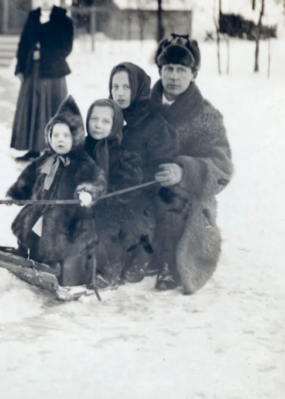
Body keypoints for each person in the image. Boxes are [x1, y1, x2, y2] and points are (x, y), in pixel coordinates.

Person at [148, 34, 234, 293]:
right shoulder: (144, 108)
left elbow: (222, 167)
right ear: (160, 71)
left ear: (193, 74)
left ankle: (170, 266)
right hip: (144, 187)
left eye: (181, 70)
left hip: (188, 195)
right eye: (168, 69)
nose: (174, 76)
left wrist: (184, 172)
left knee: (175, 213)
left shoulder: (207, 116)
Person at [6, 96, 107, 286]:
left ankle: (56, 269)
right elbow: (29, 176)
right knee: (30, 229)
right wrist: (17, 192)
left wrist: (88, 192)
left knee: (59, 240)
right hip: (42, 211)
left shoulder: (82, 163)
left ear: (76, 138)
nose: (60, 140)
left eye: (66, 136)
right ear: (49, 138)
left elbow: (97, 179)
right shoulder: (46, 159)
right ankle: (28, 256)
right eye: (56, 135)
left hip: (70, 218)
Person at [108, 62, 178, 282]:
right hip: (112, 192)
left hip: (144, 194)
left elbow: (162, 165)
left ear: (138, 89)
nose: (119, 93)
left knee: (130, 226)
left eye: (126, 87)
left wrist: (134, 181)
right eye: (115, 87)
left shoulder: (154, 123)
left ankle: (143, 257)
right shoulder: (108, 117)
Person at [11, 0, 75, 162]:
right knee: (34, 109)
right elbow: (24, 44)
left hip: (53, 73)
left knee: (51, 110)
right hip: (33, 72)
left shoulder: (63, 19)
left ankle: (53, 150)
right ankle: (33, 149)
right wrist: (20, 67)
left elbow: (66, 48)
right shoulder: (32, 17)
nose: (44, 0)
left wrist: (43, 52)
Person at [84, 99, 143, 286]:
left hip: (111, 210)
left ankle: (107, 271)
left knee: (103, 234)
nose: (98, 126)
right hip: (81, 204)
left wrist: (102, 197)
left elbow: (128, 185)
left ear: (115, 124)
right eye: (94, 119)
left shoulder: (121, 154)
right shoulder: (81, 148)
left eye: (105, 121)